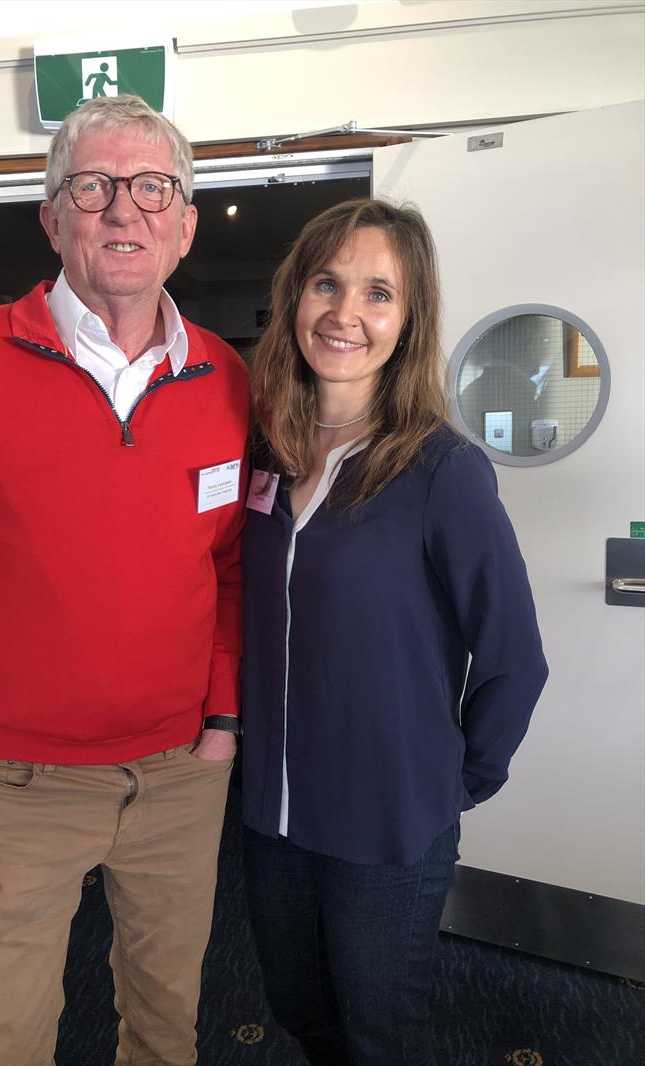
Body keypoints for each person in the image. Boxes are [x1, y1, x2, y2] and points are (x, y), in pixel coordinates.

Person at [0, 94, 249, 1066]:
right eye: (93, 186)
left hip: (177, 779)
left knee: (167, 1024)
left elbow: (228, 570)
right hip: (11, 788)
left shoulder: (223, 378)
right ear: (51, 216)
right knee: (3, 1036)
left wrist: (221, 716)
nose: (123, 210)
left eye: (151, 187)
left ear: (185, 223)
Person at [240, 197, 548, 1066]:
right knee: (300, 1007)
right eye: (326, 284)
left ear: (408, 321)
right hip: (273, 816)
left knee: (383, 1036)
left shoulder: (440, 470)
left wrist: (455, 780)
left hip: (388, 820)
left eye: (379, 293)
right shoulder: (259, 456)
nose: (346, 314)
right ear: (295, 297)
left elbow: (515, 659)